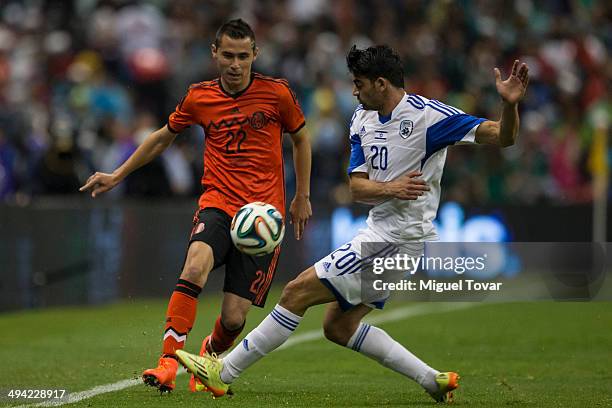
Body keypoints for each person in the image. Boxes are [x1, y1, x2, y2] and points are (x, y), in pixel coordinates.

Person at [176, 44, 529, 403]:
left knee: (296, 292)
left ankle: (223, 371)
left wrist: (510, 104)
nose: (354, 91)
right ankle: (431, 379)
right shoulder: (362, 119)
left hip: (398, 240)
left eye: (359, 83)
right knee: (338, 327)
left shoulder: (430, 117)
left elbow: (504, 136)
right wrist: (391, 187)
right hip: (380, 232)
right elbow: (357, 188)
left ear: (380, 83)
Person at [79, 18, 312, 393]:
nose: (235, 65)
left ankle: (208, 354)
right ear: (215, 54)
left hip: (262, 218)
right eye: (228, 56)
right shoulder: (198, 97)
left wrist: (302, 196)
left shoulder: (277, 94)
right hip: (217, 202)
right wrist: (117, 174)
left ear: (256, 55)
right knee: (195, 264)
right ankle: (168, 362)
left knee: (234, 318)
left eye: (243, 56)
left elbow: (302, 140)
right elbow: (161, 138)